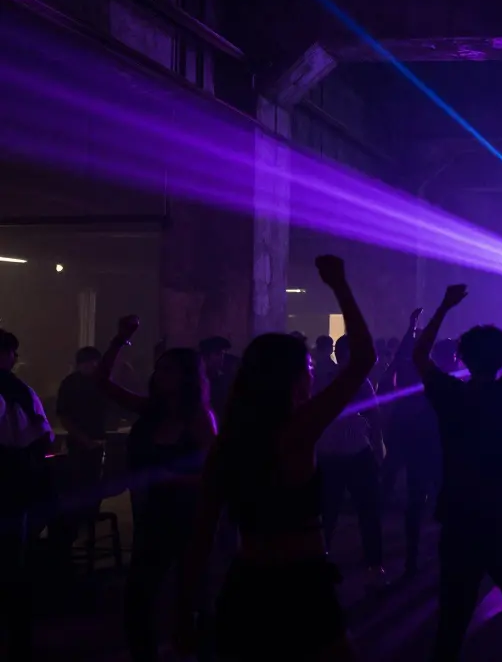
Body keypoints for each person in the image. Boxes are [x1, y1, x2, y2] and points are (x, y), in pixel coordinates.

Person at [175, 255, 375, 660]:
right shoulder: (298, 429)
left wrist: (183, 612)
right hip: (301, 582)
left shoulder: (227, 442)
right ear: (290, 378)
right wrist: (339, 284)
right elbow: (363, 361)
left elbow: (201, 538)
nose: (312, 373)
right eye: (306, 366)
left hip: (246, 581)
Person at [415, 272, 502, 662]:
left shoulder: (450, 395)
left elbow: (419, 357)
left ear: (463, 357)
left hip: (460, 518)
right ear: (501, 358)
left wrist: (444, 307)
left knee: (452, 619)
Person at [98, 317, 217, 662]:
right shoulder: (152, 409)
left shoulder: (198, 417)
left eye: (167, 370)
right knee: (139, 595)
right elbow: (103, 382)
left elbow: (214, 473)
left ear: (186, 377)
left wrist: (167, 478)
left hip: (190, 516)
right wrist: (120, 340)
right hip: (154, 515)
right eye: (159, 369)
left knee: (191, 596)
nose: (158, 375)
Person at [0, 329, 54, 662]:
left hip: (11, 482)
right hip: (13, 483)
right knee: (12, 565)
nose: (16, 358)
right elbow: (43, 437)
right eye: (12, 352)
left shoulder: (19, 390)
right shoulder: (20, 391)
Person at [317, 333, 385, 585]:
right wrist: (378, 447)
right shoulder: (358, 380)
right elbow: (375, 415)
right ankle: (374, 567)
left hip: (332, 454)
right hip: (354, 452)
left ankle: (319, 562)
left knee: (328, 512)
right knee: (366, 512)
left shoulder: (321, 378)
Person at [379, 308, 440, 577]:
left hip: (413, 439)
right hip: (428, 443)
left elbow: (404, 355)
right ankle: (430, 553)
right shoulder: (432, 376)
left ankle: (413, 557)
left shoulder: (409, 375)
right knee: (432, 498)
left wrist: (412, 327)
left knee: (417, 501)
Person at [50, 346, 110, 568]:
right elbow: (64, 416)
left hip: (98, 443)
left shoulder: (102, 382)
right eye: (89, 363)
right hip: (80, 446)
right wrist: (85, 440)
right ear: (80, 364)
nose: (93, 367)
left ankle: (86, 525)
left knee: (95, 487)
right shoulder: (71, 384)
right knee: (79, 487)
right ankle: (75, 532)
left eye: (96, 362)